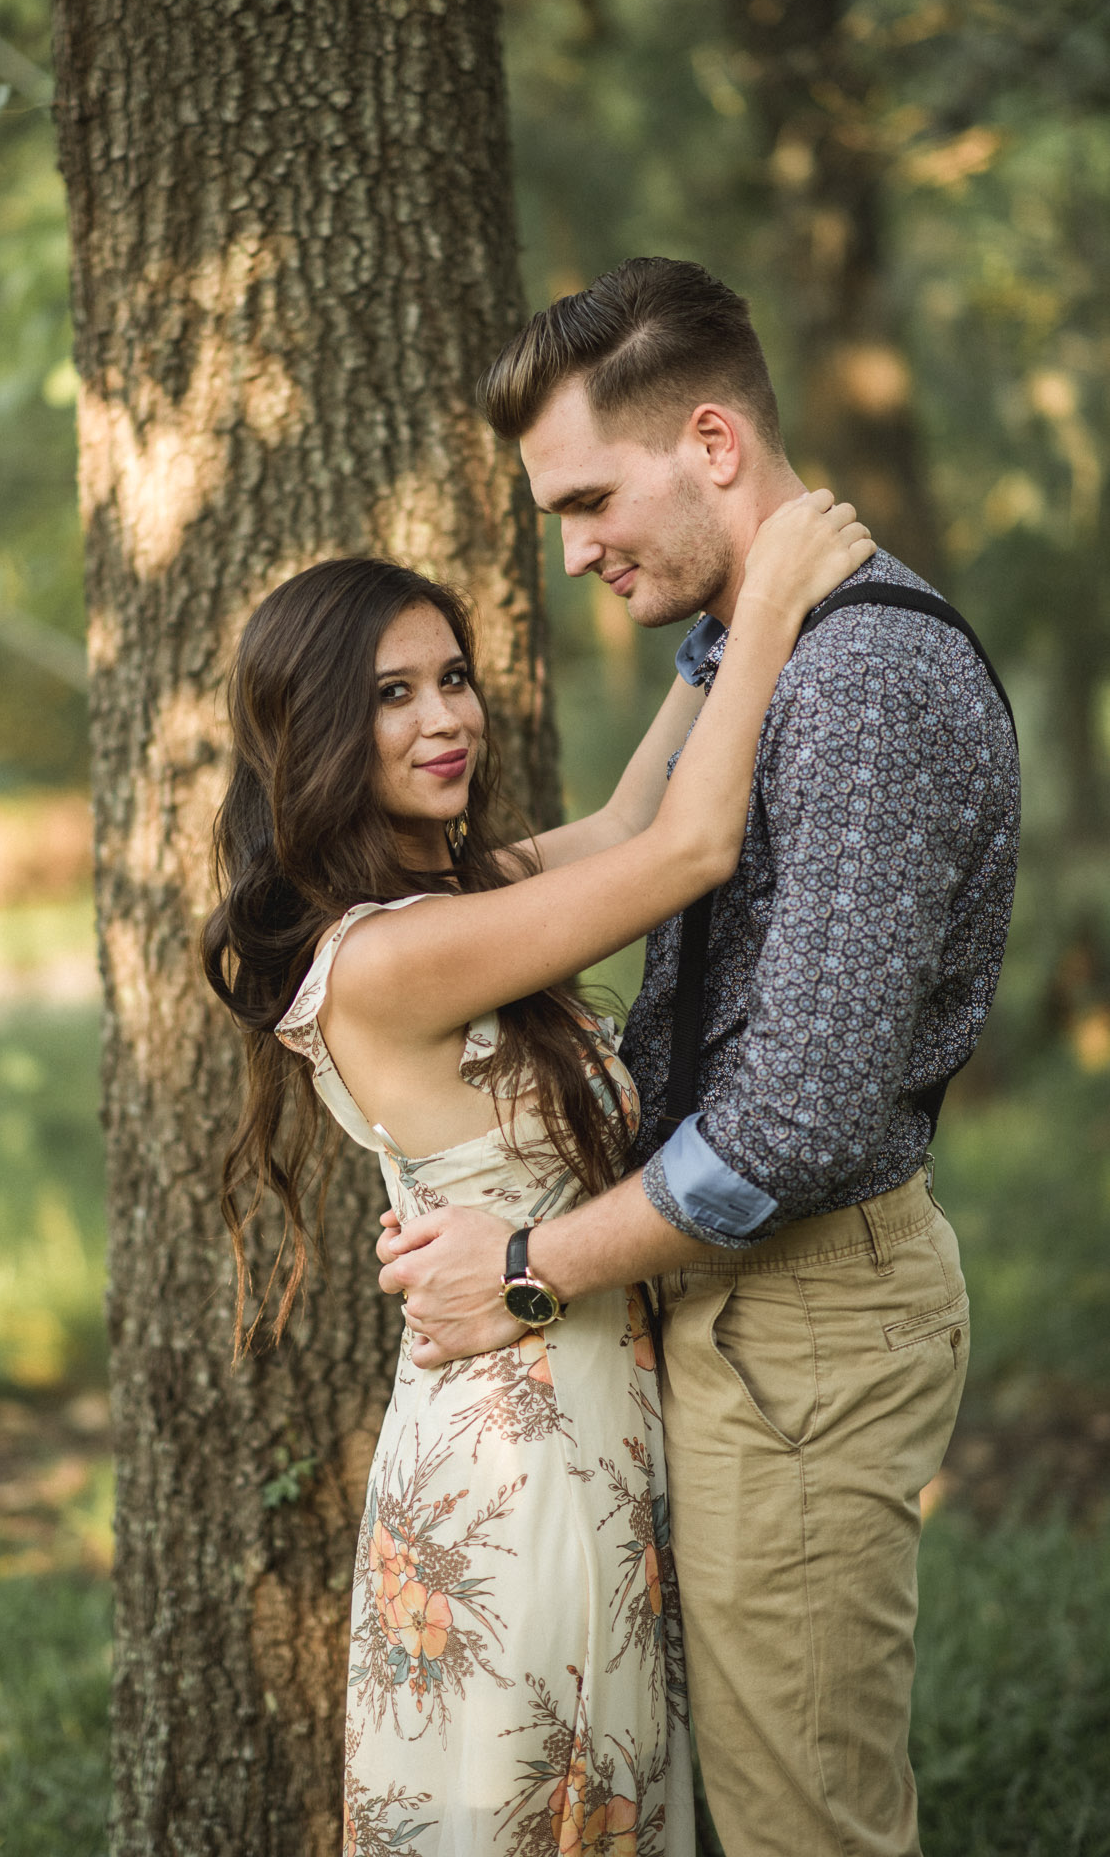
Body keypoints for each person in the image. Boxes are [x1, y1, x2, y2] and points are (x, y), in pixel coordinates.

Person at [377, 258, 1021, 1857]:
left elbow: (793, 1125)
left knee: (807, 1827)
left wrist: (526, 1270)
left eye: (592, 498)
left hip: (803, 1323)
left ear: (715, 443)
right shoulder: (767, 658)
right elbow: (637, 840)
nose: (576, 548)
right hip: (720, 1317)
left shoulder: (863, 679)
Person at [202, 502, 874, 1857]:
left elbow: (633, 812)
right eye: (393, 694)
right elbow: (687, 851)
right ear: (318, 730)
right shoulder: (390, 959)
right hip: (522, 1477)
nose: (445, 716)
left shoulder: (444, 907)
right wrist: (786, 590)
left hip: (568, 1417)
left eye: (453, 678)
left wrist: (721, 628)